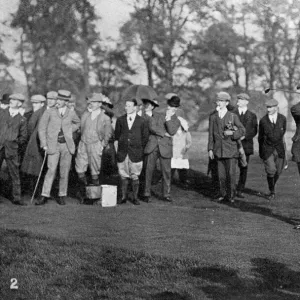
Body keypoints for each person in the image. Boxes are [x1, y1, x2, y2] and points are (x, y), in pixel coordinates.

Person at [36, 90, 80, 205]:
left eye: (62, 100)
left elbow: (77, 123)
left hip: (67, 146)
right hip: (52, 145)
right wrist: (44, 143)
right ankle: (44, 195)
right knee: (51, 170)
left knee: (64, 172)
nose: (59, 102)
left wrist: (69, 131)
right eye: (58, 99)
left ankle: (62, 195)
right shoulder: (49, 112)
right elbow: (41, 128)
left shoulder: (71, 113)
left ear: (66, 102)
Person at [208, 92, 245, 203]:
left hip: (231, 150)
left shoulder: (233, 116)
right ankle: (222, 194)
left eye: (221, 101)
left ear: (227, 103)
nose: (219, 103)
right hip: (218, 150)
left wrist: (232, 134)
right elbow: (210, 134)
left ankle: (231, 196)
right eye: (218, 101)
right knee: (221, 175)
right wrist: (210, 148)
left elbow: (242, 130)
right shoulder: (213, 117)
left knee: (231, 174)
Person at [75, 93, 112, 202]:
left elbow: (107, 134)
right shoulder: (85, 115)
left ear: (100, 104)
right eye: (90, 102)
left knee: (95, 170)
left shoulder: (105, 118)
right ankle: (84, 193)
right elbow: (81, 129)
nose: (91, 104)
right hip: (83, 143)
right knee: (79, 169)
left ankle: (95, 196)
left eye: (94, 102)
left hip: (96, 144)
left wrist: (102, 145)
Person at [143, 95, 181, 203]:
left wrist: (168, 120)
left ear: (176, 109)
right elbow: (152, 127)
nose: (168, 109)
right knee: (148, 171)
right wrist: (164, 133)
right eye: (168, 106)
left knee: (166, 173)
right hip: (153, 146)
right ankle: (146, 193)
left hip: (166, 149)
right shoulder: (159, 115)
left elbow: (172, 132)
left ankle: (166, 194)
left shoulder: (177, 121)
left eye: (171, 107)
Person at [115, 98, 149, 205]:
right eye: (126, 106)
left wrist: (138, 149)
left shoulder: (142, 121)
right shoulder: (120, 120)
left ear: (135, 107)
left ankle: (135, 197)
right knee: (123, 175)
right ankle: (124, 197)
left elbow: (145, 138)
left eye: (129, 106)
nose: (126, 108)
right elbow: (117, 136)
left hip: (136, 153)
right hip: (123, 153)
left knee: (135, 175)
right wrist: (118, 150)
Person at [0, 93, 28, 205]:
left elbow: (23, 137)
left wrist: (14, 143)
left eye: (15, 100)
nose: (11, 101)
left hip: (12, 150)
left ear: (20, 103)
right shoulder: (1, 113)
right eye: (11, 99)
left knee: (14, 174)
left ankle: (16, 198)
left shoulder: (22, 119)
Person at [258, 99, 286, 201]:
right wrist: (262, 153)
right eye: (267, 107)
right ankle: (272, 191)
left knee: (278, 171)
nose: (268, 109)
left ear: (276, 108)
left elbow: (283, 133)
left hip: (279, 149)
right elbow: (260, 138)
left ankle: (272, 187)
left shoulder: (283, 119)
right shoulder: (263, 120)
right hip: (267, 149)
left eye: (270, 107)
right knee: (271, 170)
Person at [21, 95, 47, 193]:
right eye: (33, 103)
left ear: (42, 104)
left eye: (37, 103)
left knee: (37, 167)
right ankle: (30, 190)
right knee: (30, 167)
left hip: (37, 143)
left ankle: (37, 191)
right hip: (30, 143)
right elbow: (29, 127)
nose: (34, 105)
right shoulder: (30, 114)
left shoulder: (43, 113)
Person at [235, 93, 258, 198]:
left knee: (243, 168)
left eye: (241, 99)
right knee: (231, 167)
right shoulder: (231, 114)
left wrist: (245, 136)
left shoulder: (252, 116)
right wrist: (236, 136)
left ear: (246, 102)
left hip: (246, 145)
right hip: (233, 145)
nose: (238, 101)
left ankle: (240, 189)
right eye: (238, 99)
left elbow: (254, 131)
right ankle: (230, 188)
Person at [171, 112, 192, 189]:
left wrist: (186, 147)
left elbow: (189, 142)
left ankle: (183, 182)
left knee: (183, 170)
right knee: (171, 168)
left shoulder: (186, 133)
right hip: (174, 153)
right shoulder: (172, 133)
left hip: (182, 154)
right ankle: (168, 181)